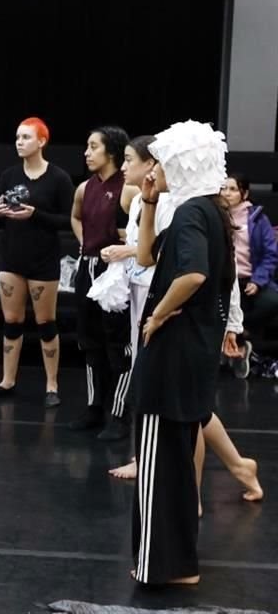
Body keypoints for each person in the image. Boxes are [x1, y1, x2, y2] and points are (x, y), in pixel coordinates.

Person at [128, 120, 233, 586]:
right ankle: (181, 565)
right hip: (194, 354)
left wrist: (155, 316)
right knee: (173, 464)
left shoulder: (192, 212)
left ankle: (158, 567)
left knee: (157, 468)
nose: (155, 169)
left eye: (162, 163)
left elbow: (192, 275)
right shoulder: (206, 210)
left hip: (173, 354)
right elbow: (148, 256)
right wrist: (149, 203)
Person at [0, 117, 74, 408]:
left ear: (41, 141)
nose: (19, 142)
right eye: (18, 137)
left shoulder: (58, 178)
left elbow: (68, 220)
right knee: (12, 321)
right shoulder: (9, 175)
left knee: (46, 323)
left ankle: (51, 384)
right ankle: (7, 380)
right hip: (11, 256)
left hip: (43, 260)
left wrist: (35, 214)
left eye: (26, 137)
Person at [69, 126, 138, 440]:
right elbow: (76, 217)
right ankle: (94, 407)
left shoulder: (129, 189)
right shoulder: (84, 188)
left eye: (92, 146)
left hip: (117, 273)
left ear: (110, 152)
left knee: (117, 345)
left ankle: (120, 414)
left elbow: (143, 232)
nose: (86, 152)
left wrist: (125, 246)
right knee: (90, 341)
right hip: (89, 267)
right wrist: (87, 244)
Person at [221, 172, 278, 377]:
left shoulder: (257, 218)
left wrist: (258, 280)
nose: (227, 193)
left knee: (272, 301)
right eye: (224, 188)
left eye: (233, 189)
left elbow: (271, 253)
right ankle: (236, 346)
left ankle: (241, 335)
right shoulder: (214, 214)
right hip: (225, 281)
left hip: (249, 280)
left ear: (244, 194)